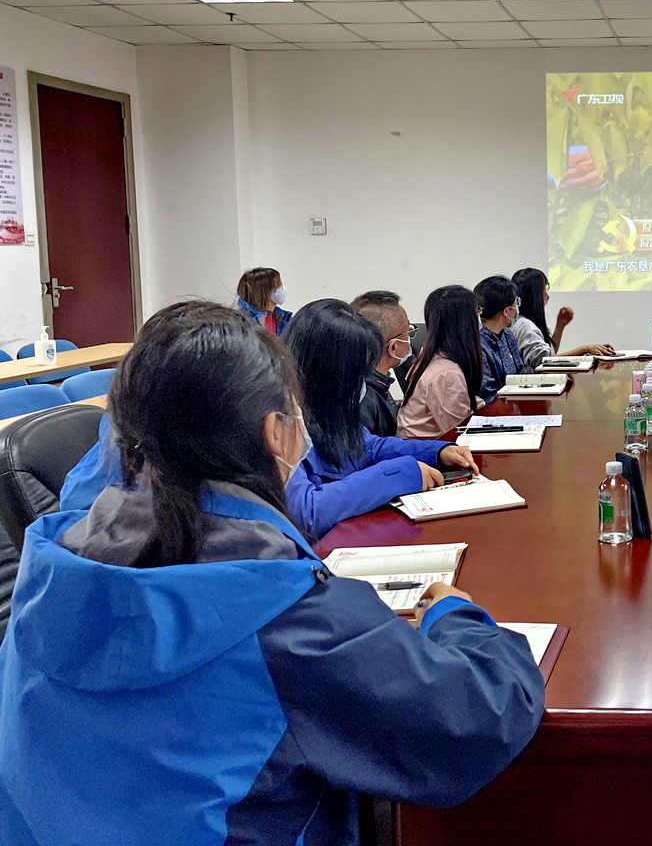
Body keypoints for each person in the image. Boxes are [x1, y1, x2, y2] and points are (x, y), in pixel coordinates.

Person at [0, 300, 543, 846]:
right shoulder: (285, 613)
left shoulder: (47, 570)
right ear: (273, 434)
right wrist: (455, 614)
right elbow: (482, 716)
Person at [284, 300, 478, 537]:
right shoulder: (280, 420)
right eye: (356, 373)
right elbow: (307, 512)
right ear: (327, 372)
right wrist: (398, 474)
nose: (363, 380)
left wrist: (437, 452)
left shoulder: (328, 406)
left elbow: (368, 446)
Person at [399, 286, 484, 440]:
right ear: (464, 322)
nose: (479, 317)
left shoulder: (433, 356)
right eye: (477, 312)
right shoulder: (446, 373)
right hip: (429, 454)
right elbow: (460, 431)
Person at [510, 267, 614, 369]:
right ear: (535, 295)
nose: (547, 297)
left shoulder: (525, 323)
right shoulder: (524, 325)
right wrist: (585, 349)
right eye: (544, 291)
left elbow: (550, 353)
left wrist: (560, 325)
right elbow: (545, 362)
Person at [351, 289, 413, 437]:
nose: (410, 339)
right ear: (393, 347)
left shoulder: (373, 382)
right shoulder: (363, 398)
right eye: (409, 332)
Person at [475, 275, 527, 403]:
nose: (518, 306)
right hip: (496, 412)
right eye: (516, 301)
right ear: (507, 311)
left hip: (515, 404)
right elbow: (487, 395)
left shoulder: (508, 335)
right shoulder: (478, 344)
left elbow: (521, 375)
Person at [236, 266, 291, 335]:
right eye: (279, 285)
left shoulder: (283, 318)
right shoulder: (242, 322)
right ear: (264, 290)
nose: (283, 289)